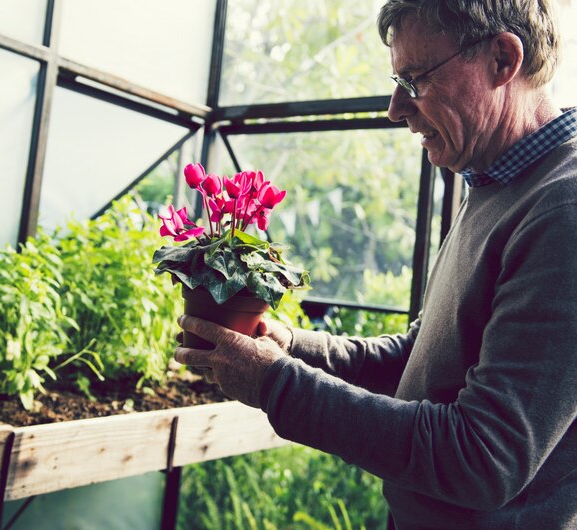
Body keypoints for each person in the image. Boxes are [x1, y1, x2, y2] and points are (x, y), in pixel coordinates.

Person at [175, 1, 577, 528]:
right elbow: (422, 359)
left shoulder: (562, 209)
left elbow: (483, 458)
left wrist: (277, 384)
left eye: (414, 79)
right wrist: (292, 347)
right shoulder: (493, 183)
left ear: (502, 60)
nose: (395, 107)